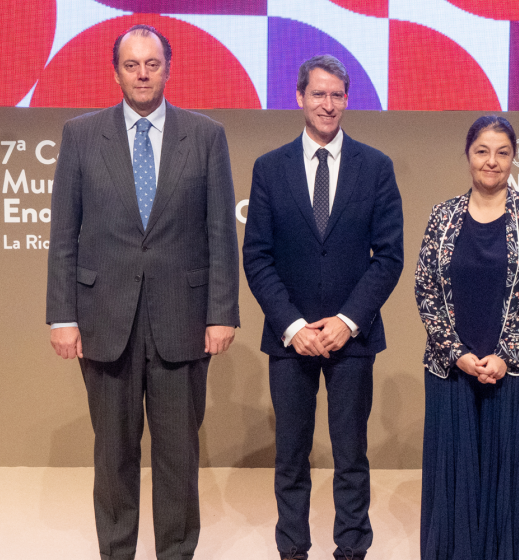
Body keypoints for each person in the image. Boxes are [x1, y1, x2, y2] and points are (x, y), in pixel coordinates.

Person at [45, 24, 239, 560]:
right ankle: (117, 551)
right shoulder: (81, 134)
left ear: (168, 68)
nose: (143, 74)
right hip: (106, 321)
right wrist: (62, 316)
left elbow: (222, 232)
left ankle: (176, 552)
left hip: (183, 319)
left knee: (178, 457)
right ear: (116, 72)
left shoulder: (205, 136)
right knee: (113, 457)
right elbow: (64, 235)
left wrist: (222, 312)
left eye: (152, 63)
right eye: (132, 65)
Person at [242, 54, 404, 560]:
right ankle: (293, 550)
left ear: (347, 100)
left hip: (351, 340)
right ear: (299, 98)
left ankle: (351, 550)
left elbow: (390, 256)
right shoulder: (268, 169)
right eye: (318, 94)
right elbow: (257, 257)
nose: (328, 104)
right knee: (291, 456)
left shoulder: (376, 167)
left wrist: (347, 321)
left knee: (351, 456)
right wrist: (293, 325)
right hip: (290, 341)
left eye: (337, 95)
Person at [414, 115, 519, 560]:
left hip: (518, 374)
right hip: (452, 371)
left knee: (512, 480)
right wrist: (457, 353)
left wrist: (506, 355)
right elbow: (425, 288)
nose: (491, 162)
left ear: (514, 158)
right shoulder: (443, 215)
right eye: (482, 151)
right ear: (468, 155)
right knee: (455, 480)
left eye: (502, 152)